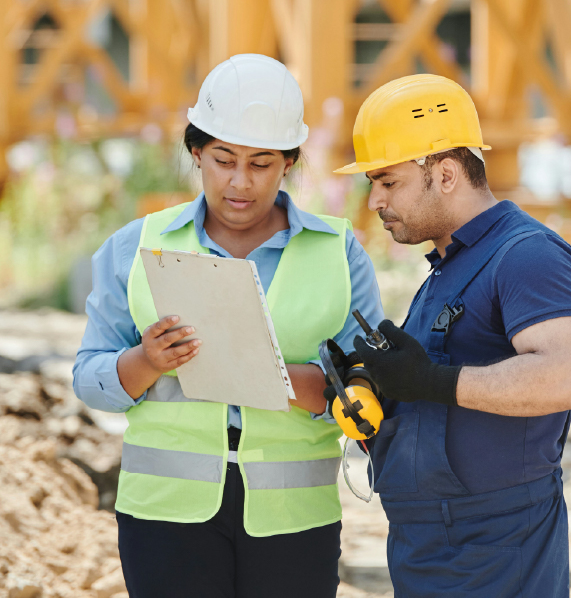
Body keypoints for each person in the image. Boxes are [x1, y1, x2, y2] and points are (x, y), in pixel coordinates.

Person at [73, 54, 383, 598]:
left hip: (295, 517)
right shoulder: (135, 248)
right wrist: (145, 362)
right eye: (223, 159)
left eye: (261, 163)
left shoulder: (339, 253)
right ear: (196, 152)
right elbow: (88, 378)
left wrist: (287, 379)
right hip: (164, 517)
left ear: (289, 161)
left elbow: (372, 382)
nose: (240, 182)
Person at [333, 73, 571, 598]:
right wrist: (377, 394)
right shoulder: (448, 267)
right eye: (372, 185)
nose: (376, 202)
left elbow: (564, 377)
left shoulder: (527, 255)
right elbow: (438, 396)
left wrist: (430, 380)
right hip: (431, 545)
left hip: (497, 546)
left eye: (388, 182)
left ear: (445, 173)